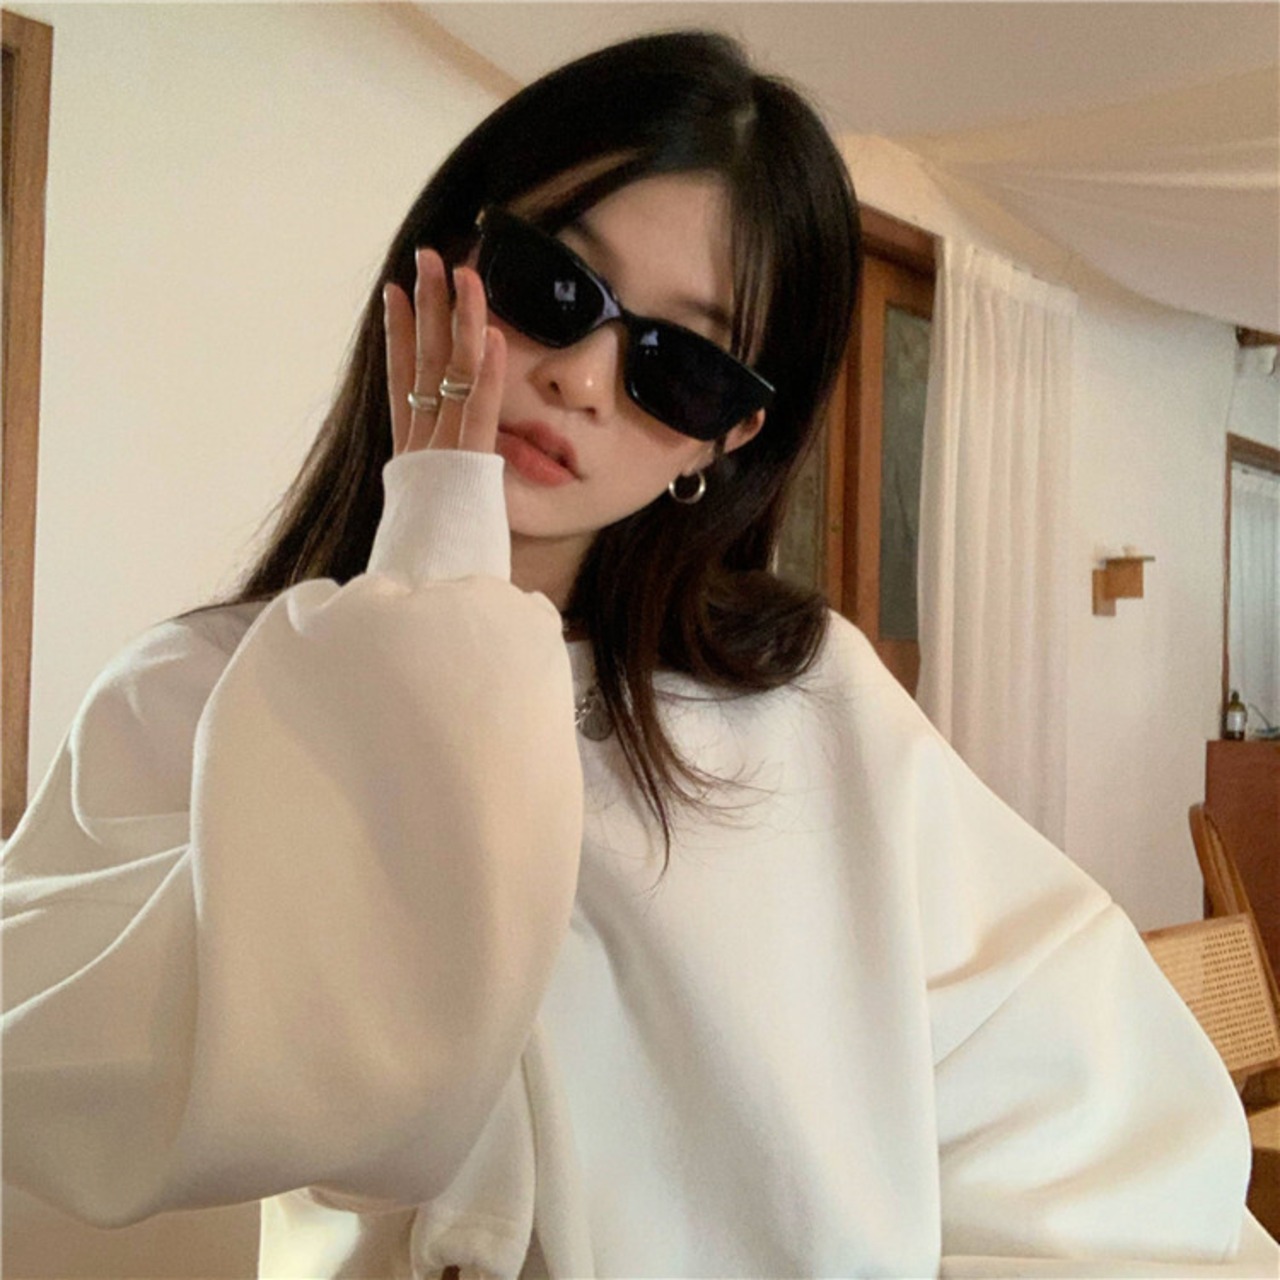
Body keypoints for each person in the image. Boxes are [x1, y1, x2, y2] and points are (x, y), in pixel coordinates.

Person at [2, 29, 1275, 1280]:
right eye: (554, 287)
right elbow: (167, 1084)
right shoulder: (196, 693)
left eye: (682, 365)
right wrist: (431, 580)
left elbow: (1106, 1132)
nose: (584, 377)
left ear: (725, 441)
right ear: (447, 257)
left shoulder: (806, 703)